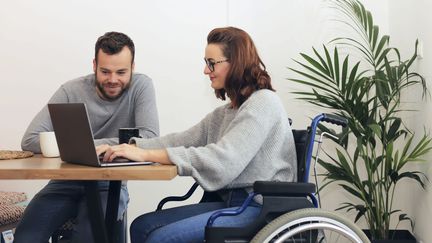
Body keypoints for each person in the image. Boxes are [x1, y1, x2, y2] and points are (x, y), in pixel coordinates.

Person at [98, 27, 297, 243]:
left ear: (236, 62)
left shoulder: (263, 103)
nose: (205, 70)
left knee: (160, 239)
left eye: (212, 63)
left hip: (260, 208)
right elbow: (181, 139)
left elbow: (223, 161)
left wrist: (147, 156)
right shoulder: (228, 112)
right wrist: (131, 148)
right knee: (141, 227)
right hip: (231, 203)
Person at [15, 31, 159, 243]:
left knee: (89, 237)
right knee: (26, 237)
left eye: (121, 72)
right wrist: (95, 146)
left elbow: (150, 137)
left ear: (133, 67)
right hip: (64, 183)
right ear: (94, 65)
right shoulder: (71, 90)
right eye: (105, 71)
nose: (112, 79)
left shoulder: (141, 86)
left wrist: (83, 145)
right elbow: (30, 140)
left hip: (109, 185)